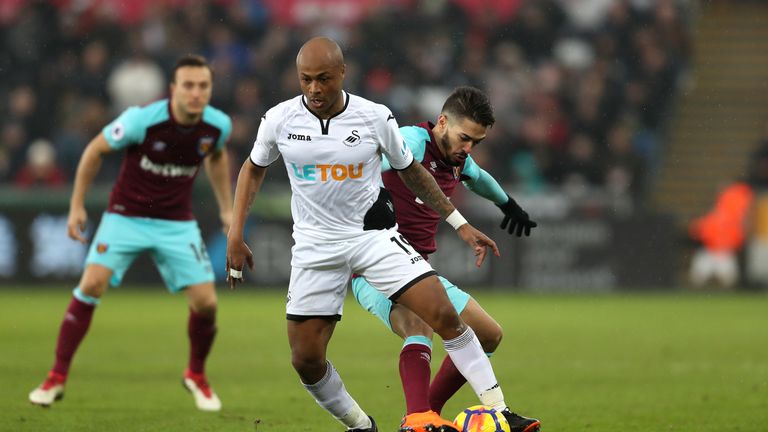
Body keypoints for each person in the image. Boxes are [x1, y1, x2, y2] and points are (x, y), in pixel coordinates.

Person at [226, 37, 534, 432]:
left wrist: (469, 221)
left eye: (323, 78)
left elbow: (416, 173)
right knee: (305, 359)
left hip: (373, 239)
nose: (314, 89)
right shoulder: (279, 119)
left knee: (441, 315)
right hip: (315, 247)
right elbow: (253, 168)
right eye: (306, 79)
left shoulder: (374, 117)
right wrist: (236, 232)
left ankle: (489, 409)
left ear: (342, 74)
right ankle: (362, 425)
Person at [28, 55, 232, 412]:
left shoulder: (217, 126)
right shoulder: (142, 120)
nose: (196, 93)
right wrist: (76, 206)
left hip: (176, 222)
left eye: (203, 86)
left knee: (207, 304)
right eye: (188, 85)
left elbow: (216, 157)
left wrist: (226, 208)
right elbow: (95, 150)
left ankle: (196, 375)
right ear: (173, 89)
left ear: (210, 90)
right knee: (91, 284)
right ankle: (55, 377)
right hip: (126, 215)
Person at [351, 86, 540, 432]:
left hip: (418, 269)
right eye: (465, 138)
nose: (468, 149)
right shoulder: (412, 140)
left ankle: (429, 413)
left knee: (488, 334)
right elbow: (369, 157)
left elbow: (480, 179)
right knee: (419, 324)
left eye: (476, 143)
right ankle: (417, 419)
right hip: (374, 265)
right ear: (442, 122)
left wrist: (508, 205)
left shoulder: (457, 160)